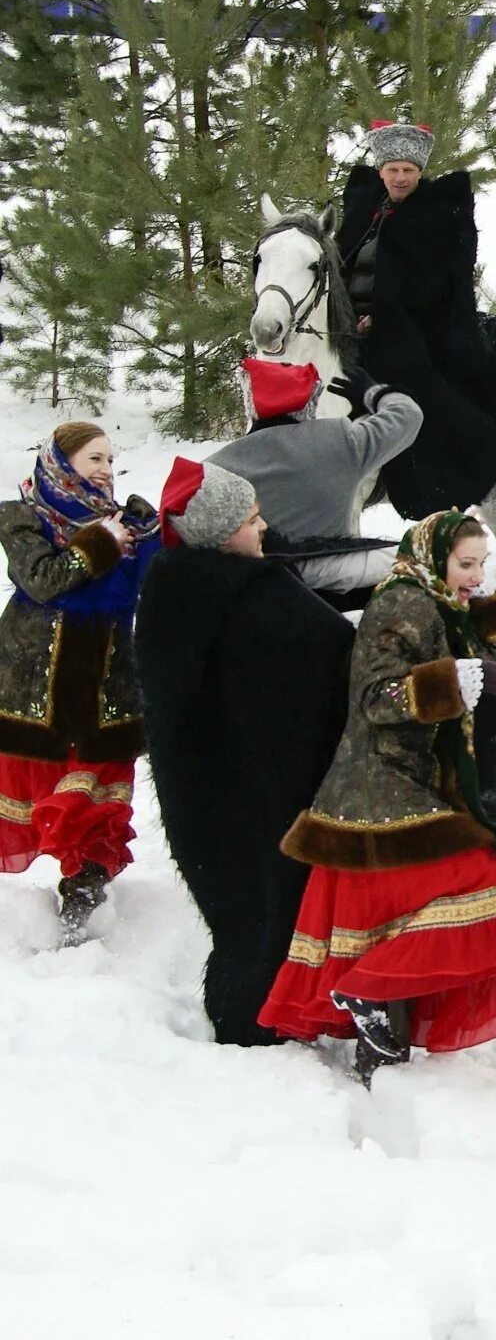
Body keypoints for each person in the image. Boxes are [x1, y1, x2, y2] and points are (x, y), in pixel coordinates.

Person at [259, 511, 496, 1083]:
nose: (476, 576)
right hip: (382, 786)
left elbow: (480, 703)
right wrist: (455, 680)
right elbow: (376, 699)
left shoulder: (443, 601)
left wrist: (487, 634)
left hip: (419, 783)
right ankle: (367, 1001)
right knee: (483, 882)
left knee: (397, 922)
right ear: (435, 557)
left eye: (481, 564)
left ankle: (380, 1056)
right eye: (466, 564)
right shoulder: (401, 602)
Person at [136, 458, 355, 1043]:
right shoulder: (250, 594)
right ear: (218, 530)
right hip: (263, 793)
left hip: (205, 797)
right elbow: (336, 652)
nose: (264, 529)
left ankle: (251, 1015)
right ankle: (265, 1025)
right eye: (252, 519)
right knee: (271, 908)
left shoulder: (170, 591)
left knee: (242, 914)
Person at [334, 119, 496, 519]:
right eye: (393, 170)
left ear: (419, 173)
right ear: (381, 172)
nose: (401, 178)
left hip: (409, 327)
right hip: (347, 325)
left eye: (409, 171)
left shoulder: (439, 215)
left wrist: (384, 318)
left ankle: (418, 477)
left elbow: (437, 283)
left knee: (414, 383)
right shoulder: (364, 213)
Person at [0, 423, 159, 939]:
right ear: (60, 462)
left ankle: (83, 888)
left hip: (104, 687)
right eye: (94, 458)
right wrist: (100, 542)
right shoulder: (23, 519)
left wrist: (150, 538)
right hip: (36, 687)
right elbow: (44, 580)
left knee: (95, 794)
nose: (106, 471)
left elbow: (151, 588)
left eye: (111, 461)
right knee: (39, 789)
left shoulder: (123, 525)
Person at [208, 356, 422, 601]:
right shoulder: (342, 440)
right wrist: (373, 394)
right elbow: (408, 415)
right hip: (340, 585)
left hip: (254, 590)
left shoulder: (214, 467)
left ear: (250, 405)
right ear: (309, 403)